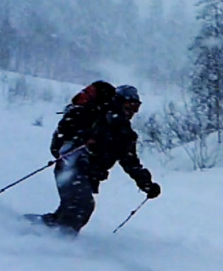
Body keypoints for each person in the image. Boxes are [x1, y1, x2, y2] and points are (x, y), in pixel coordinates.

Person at [40, 83, 161, 234]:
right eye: (129, 105)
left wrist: (147, 184)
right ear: (119, 102)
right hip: (70, 167)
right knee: (82, 206)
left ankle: (37, 229)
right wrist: (83, 137)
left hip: (87, 175)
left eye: (136, 107)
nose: (132, 111)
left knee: (72, 208)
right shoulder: (94, 115)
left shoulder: (125, 134)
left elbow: (130, 162)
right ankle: (58, 240)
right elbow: (66, 132)